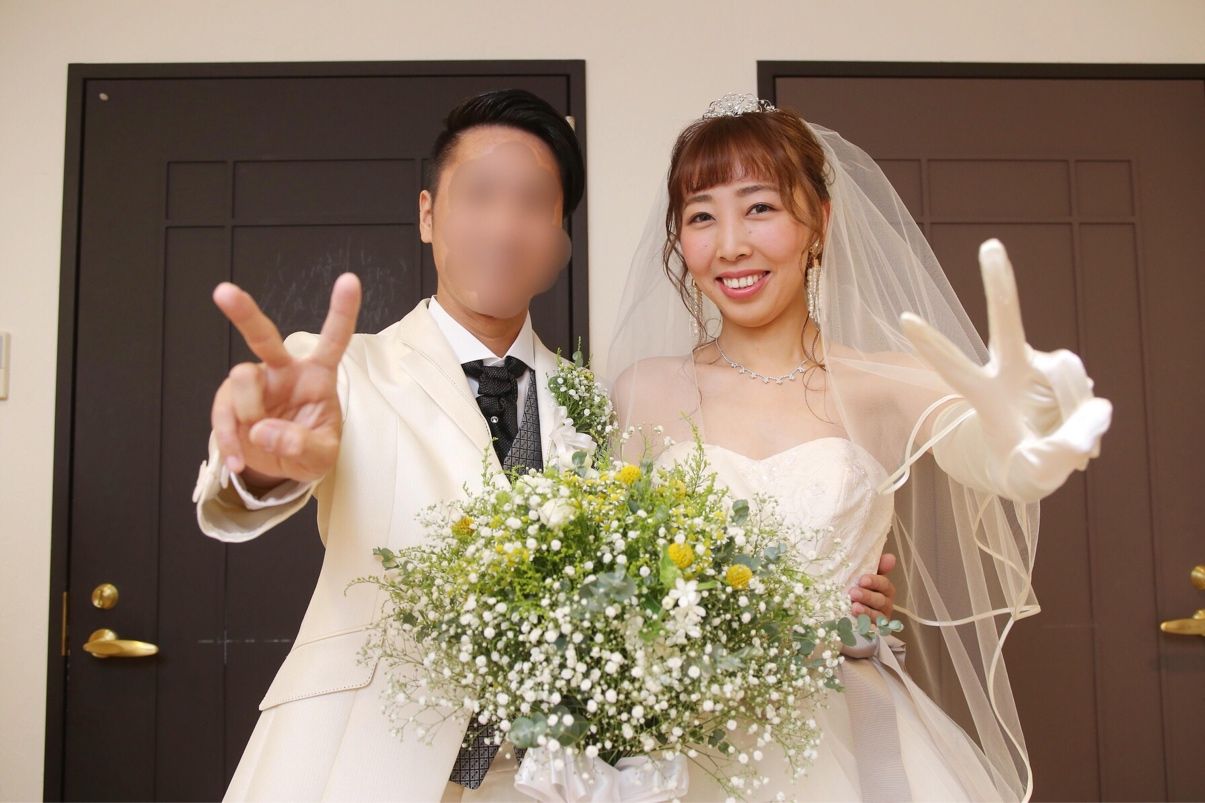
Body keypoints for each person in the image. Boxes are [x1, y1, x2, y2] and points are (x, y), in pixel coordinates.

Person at [192, 87, 903, 801]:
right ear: (427, 214)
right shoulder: (340, 372)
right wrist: (263, 470)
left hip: (552, 781)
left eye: (532, 203)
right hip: (356, 766)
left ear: (561, 238)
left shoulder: (599, 405)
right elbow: (236, 494)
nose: (504, 227)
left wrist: (825, 598)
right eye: (479, 196)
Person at [607, 93, 1112, 801]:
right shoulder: (642, 391)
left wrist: (1023, 443)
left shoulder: (887, 382)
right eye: (701, 216)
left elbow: (985, 454)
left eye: (759, 207)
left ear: (818, 222)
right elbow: (610, 584)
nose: (730, 245)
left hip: (844, 725)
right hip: (684, 744)